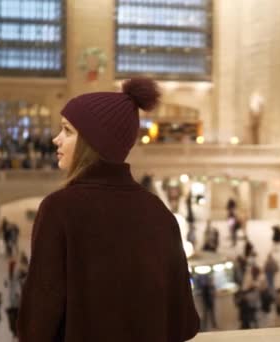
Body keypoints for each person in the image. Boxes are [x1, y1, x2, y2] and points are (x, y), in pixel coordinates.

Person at [18, 78, 199, 341]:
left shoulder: (60, 209)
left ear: (92, 143)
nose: (56, 139)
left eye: (67, 131)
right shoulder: (159, 212)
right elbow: (184, 323)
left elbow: (37, 323)